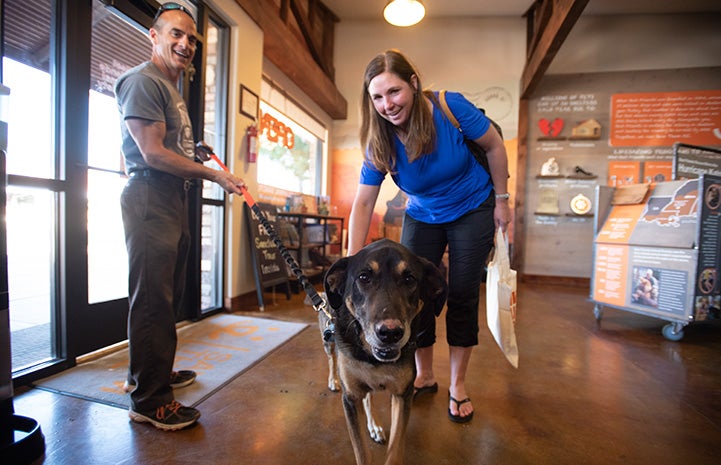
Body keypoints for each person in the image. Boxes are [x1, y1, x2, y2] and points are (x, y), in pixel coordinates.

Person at [347, 49, 511, 424]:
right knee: (412, 294)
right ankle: (424, 374)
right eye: (377, 97)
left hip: (474, 206)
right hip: (423, 213)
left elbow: (494, 146)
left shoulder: (448, 107)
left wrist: (502, 200)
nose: (387, 105)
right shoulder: (379, 141)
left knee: (463, 294)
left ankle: (457, 384)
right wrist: (353, 263)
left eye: (394, 92)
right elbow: (362, 203)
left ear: (414, 85)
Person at [115, 2, 245, 431]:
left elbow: (168, 146)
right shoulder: (142, 81)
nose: (185, 44)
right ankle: (150, 400)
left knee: (165, 294)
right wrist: (213, 175)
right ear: (154, 35)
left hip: (171, 196)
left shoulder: (170, 89)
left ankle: (152, 373)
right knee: (152, 298)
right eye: (176, 34)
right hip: (151, 196)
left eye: (192, 38)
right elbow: (151, 153)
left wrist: (196, 153)